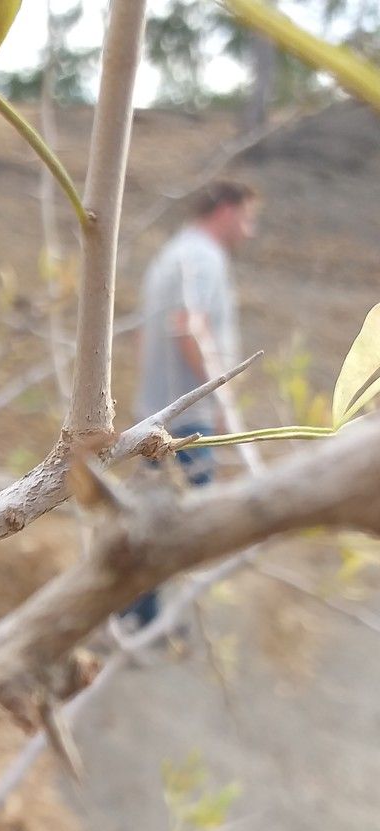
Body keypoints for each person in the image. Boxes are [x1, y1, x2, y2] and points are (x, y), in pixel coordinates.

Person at [123, 179, 260, 629]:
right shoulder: (201, 257)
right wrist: (221, 396)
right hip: (187, 422)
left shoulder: (171, 254)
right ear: (223, 210)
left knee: (152, 518)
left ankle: (136, 613)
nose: (249, 230)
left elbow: (148, 333)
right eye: (246, 218)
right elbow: (187, 327)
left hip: (159, 414)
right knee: (176, 527)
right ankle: (143, 620)